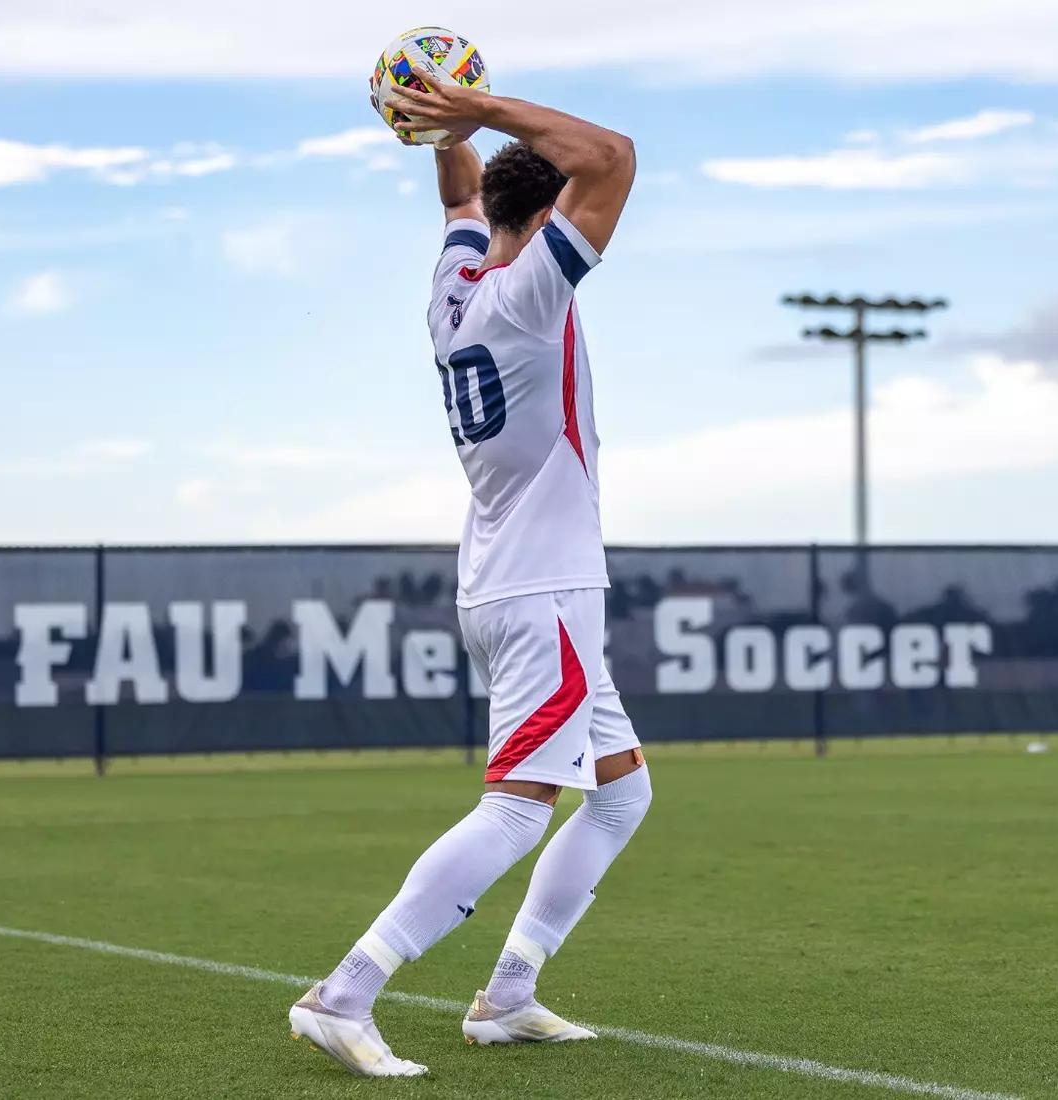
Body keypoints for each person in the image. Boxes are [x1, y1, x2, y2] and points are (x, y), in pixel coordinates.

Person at [287, 62, 651, 1078]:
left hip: (508, 581)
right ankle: (346, 989)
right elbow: (613, 157)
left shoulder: (459, 293)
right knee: (517, 805)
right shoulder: (534, 294)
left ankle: (509, 992)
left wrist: (431, 121)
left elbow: (458, 195)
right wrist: (478, 108)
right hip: (545, 593)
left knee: (623, 794)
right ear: (549, 218)